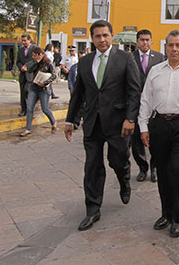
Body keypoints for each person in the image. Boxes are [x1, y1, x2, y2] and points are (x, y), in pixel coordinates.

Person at [64, 20, 141, 232]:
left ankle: (124, 180)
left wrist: (130, 118)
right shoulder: (86, 61)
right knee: (92, 166)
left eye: (105, 35)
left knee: (118, 160)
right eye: (97, 36)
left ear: (112, 35)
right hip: (93, 123)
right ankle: (92, 209)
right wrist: (71, 120)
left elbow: (134, 91)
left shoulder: (125, 59)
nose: (102, 40)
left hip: (118, 124)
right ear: (92, 38)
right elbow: (78, 94)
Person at [138, 30, 179, 237]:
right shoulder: (156, 71)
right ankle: (166, 213)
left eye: (178, 45)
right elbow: (146, 100)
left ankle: (177, 217)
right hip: (159, 124)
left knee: (176, 169)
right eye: (170, 45)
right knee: (163, 172)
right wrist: (143, 126)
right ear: (165, 47)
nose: (174, 49)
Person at [131, 29, 165, 183]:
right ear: (137, 42)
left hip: (154, 106)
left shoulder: (159, 57)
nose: (145, 43)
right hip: (135, 105)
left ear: (152, 41)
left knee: (155, 139)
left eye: (147, 40)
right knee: (137, 140)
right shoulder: (129, 58)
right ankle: (142, 167)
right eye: (142, 40)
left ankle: (155, 168)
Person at [20, 46, 58, 136]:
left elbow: (54, 75)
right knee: (29, 108)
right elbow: (29, 70)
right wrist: (35, 63)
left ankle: (53, 122)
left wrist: (45, 83)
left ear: (40, 54)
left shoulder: (48, 63)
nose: (33, 57)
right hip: (34, 87)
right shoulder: (34, 62)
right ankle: (28, 129)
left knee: (45, 108)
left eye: (35, 55)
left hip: (44, 89)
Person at [16, 34, 33, 117]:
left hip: (31, 75)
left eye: (25, 40)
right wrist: (21, 67)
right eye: (22, 41)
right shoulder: (20, 50)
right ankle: (23, 110)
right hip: (23, 74)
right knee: (22, 92)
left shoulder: (34, 49)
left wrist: (28, 66)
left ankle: (30, 109)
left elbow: (36, 61)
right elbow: (18, 61)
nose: (24, 42)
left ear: (29, 40)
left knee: (28, 91)